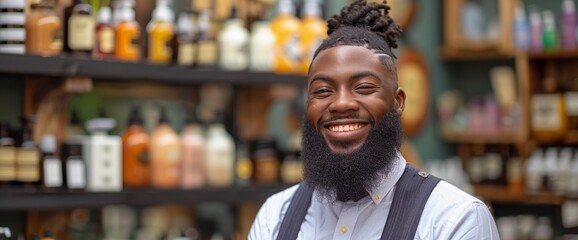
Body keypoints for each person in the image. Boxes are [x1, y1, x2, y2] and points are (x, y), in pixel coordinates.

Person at [248, 0, 500, 239]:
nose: (341, 103)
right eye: (323, 91)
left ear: (397, 101)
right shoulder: (275, 218)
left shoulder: (453, 221)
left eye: (364, 87)